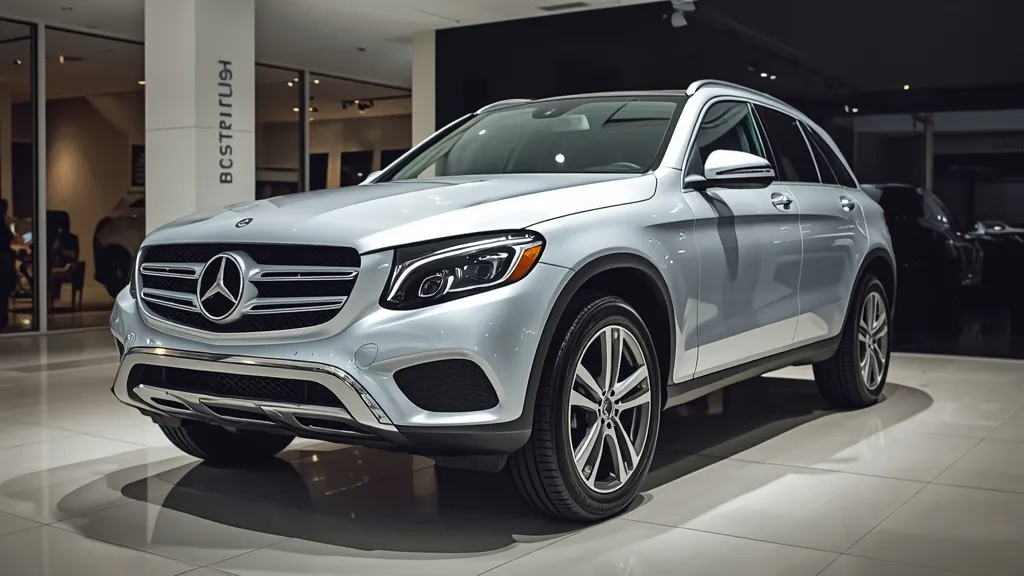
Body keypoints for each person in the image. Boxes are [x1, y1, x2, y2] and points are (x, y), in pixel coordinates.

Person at [0, 199, 16, 330]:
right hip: (4, 263)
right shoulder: (3, 225)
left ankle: (3, 318)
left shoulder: (4, 224)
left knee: (4, 293)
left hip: (5, 262)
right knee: (3, 292)